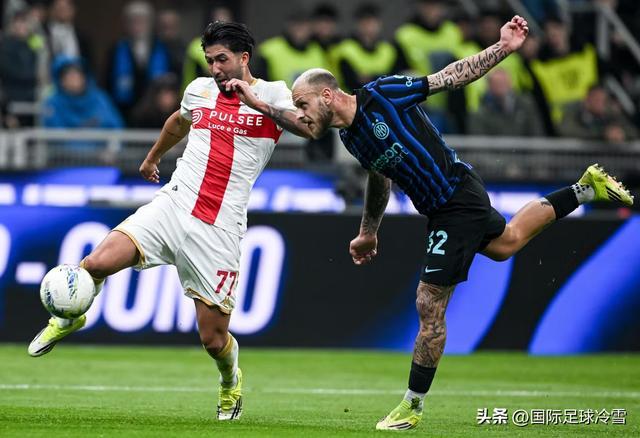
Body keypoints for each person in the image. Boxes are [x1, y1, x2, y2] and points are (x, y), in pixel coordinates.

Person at [225, 15, 634, 430]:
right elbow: (379, 177)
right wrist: (368, 231)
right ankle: (585, 188)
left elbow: (448, 77)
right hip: (444, 207)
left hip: (456, 198)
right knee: (505, 243)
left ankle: (412, 406)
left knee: (429, 302)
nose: (302, 114)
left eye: (303, 105)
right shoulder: (351, 137)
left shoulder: (383, 94)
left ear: (327, 95)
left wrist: (503, 48)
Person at [28, 21, 305, 422]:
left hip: (219, 227)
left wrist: (256, 103)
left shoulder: (275, 94)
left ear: (244, 58)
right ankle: (70, 314)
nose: (215, 68)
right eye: (210, 60)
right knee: (95, 263)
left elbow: (306, 127)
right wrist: (153, 156)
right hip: (173, 205)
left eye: (222, 59)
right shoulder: (199, 90)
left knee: (213, 340)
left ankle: (230, 381)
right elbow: (179, 121)